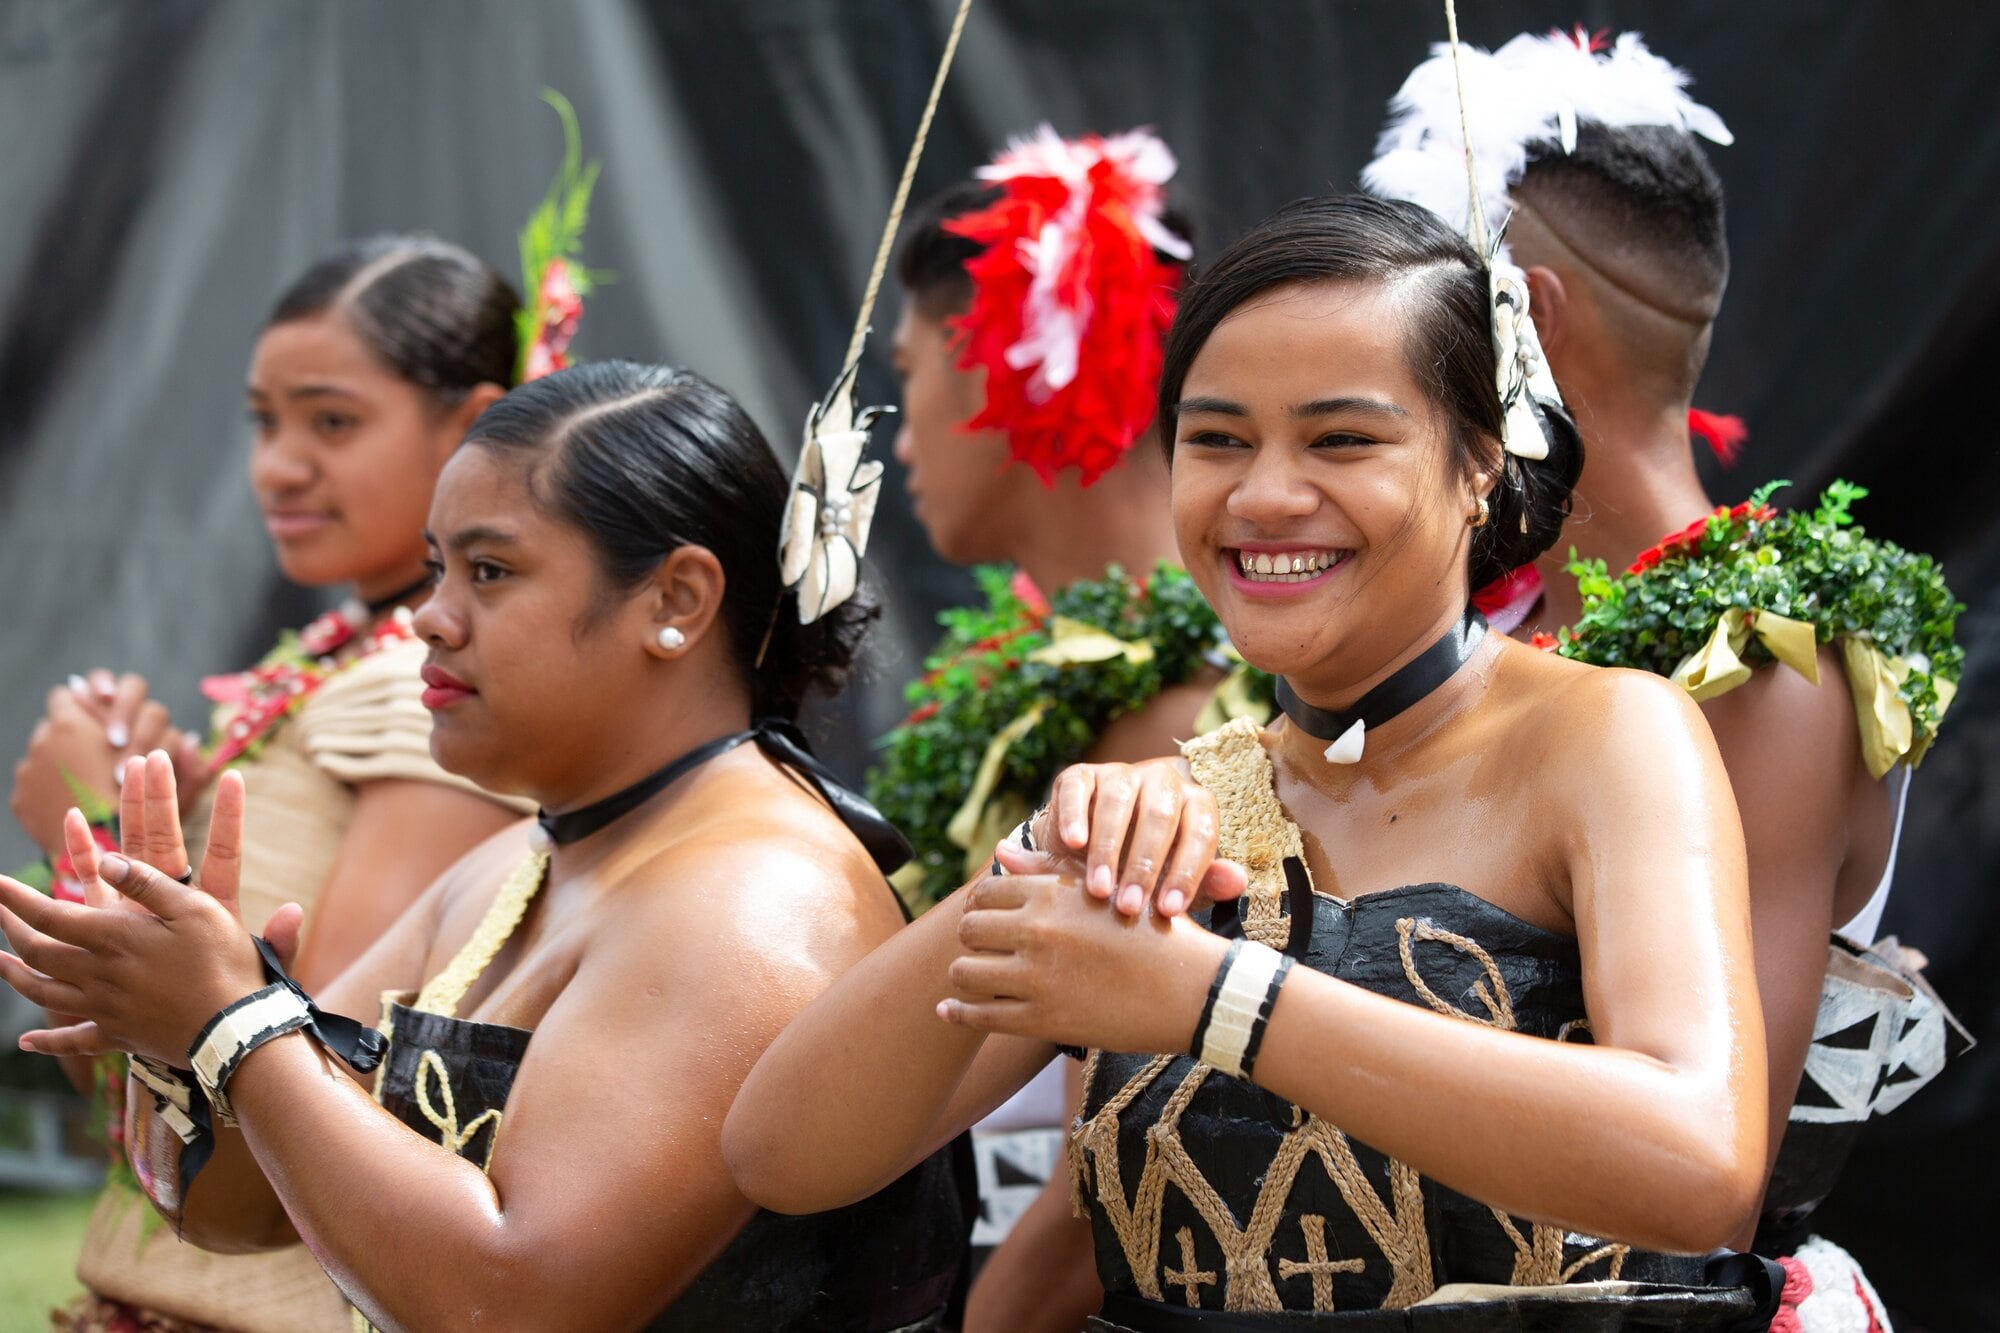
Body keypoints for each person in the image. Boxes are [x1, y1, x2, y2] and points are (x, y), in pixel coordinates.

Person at [725, 194, 1784, 1327]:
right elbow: (783, 1154)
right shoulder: (1179, 811)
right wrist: (1035, 855)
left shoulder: (1604, 734)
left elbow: (1696, 1161)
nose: (1264, 495)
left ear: (1480, 463)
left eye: (1341, 439)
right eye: (1217, 438)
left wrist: (1218, 1000)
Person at [0, 361, 970, 1332]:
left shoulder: (755, 897)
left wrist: (235, 1026)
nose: (429, 615)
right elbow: (240, 1209)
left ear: (676, 600)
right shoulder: (516, 862)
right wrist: (171, 1019)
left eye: (490, 570)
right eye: (435, 569)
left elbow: (508, 1306)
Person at [1364, 32, 1968, 1322]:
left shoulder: (1767, 663)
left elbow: (1705, 1178)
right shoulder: (1486, 623)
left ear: (1524, 311)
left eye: (1417, 300)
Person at [8, 234, 535, 1333]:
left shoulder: (418, 702)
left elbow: (316, 1101)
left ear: (470, 423)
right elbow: (133, 1094)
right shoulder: (340, 671)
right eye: (264, 420)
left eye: (331, 421)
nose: (279, 464)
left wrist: (95, 831)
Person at [878, 127, 1240, 1332]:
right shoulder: (1017, 687)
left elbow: (1110, 1177)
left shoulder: (1206, 712)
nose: (897, 427)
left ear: (1005, 360)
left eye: (911, 368)